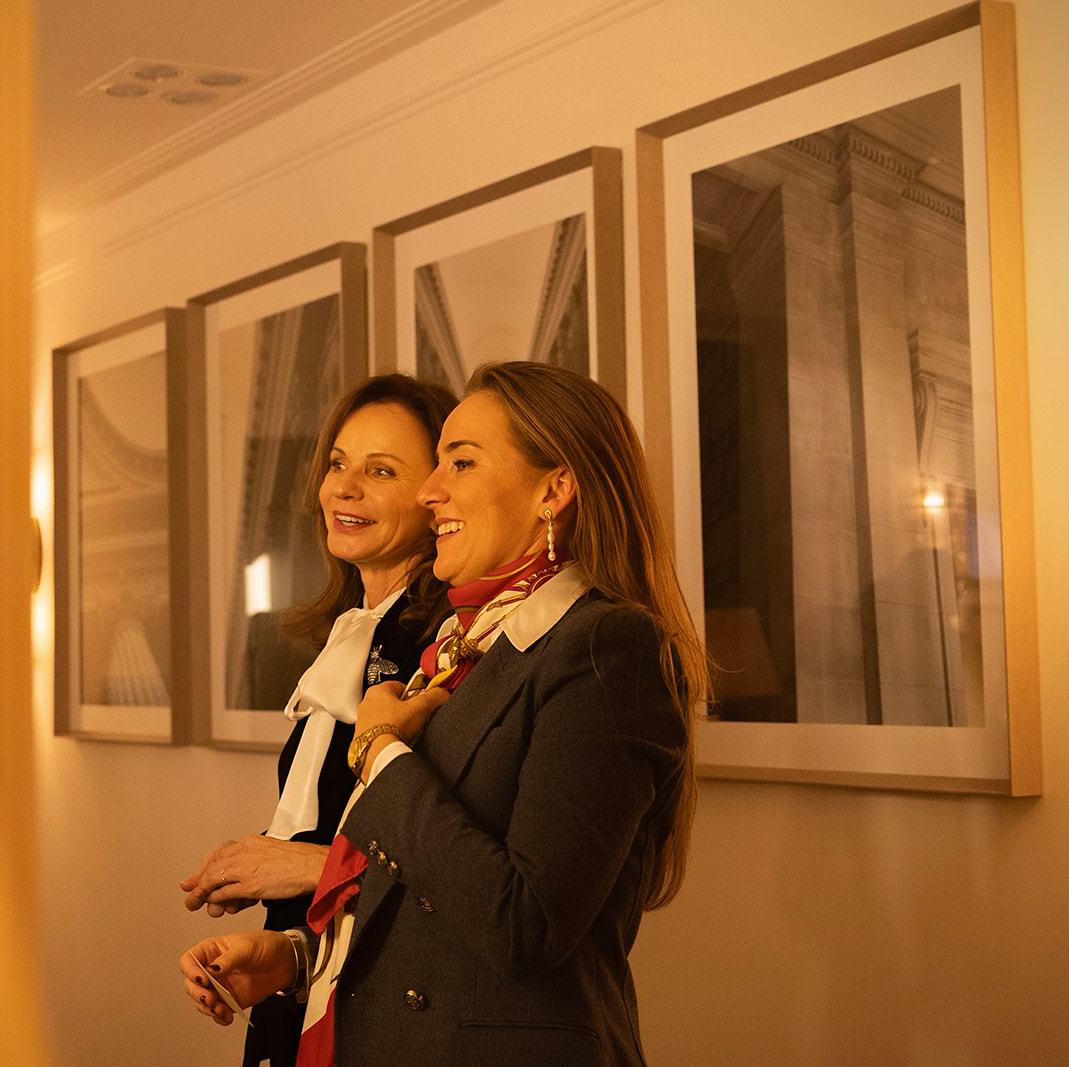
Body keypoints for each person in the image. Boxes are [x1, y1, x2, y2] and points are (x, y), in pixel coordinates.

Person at [180, 361, 711, 1067]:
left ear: (553, 490)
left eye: (459, 463)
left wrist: (380, 750)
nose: (432, 491)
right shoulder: (469, 643)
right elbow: (430, 896)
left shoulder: (607, 646)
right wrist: (299, 957)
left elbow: (524, 924)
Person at [178, 373, 459, 1067]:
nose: (345, 488)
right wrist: (271, 922)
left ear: (435, 496)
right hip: (306, 980)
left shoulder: (446, 647)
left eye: (381, 471)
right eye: (338, 463)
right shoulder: (348, 632)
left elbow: (455, 869)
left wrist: (299, 865)